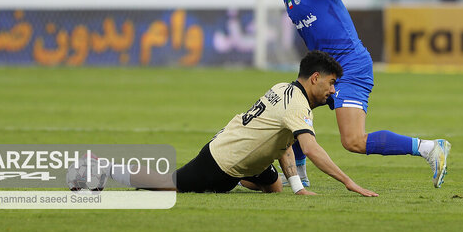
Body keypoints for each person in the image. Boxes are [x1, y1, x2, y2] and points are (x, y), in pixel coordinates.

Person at [254, 0, 452, 189]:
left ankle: (429, 148)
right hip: (324, 70)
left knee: (353, 141)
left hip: (350, 65)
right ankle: (300, 173)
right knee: (289, 110)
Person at [70, 50, 378, 197]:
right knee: (168, 185)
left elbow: (283, 142)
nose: (333, 90)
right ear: (315, 78)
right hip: (221, 158)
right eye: (332, 83)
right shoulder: (297, 104)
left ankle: (251, 177)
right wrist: (350, 183)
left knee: (274, 189)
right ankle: (102, 167)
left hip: (246, 155)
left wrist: (296, 186)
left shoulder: (283, 88)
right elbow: (309, 149)